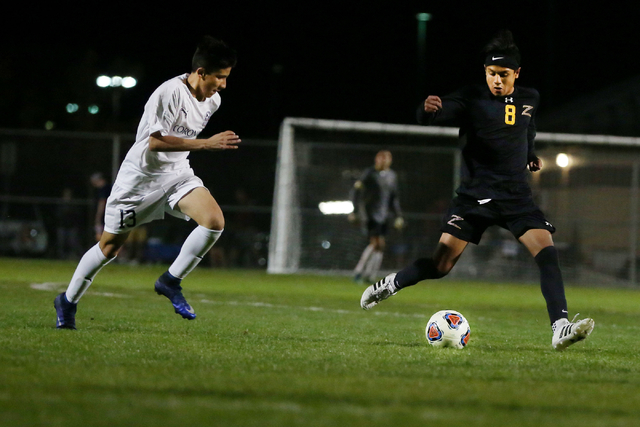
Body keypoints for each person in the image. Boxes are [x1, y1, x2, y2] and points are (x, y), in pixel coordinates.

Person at [360, 30, 594, 351]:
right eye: (491, 74)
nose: (496, 80)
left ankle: (560, 327)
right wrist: (427, 110)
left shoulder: (530, 98)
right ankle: (391, 283)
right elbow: (437, 114)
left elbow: (528, 130)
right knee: (440, 266)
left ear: (517, 74)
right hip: (474, 198)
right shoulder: (471, 97)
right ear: (485, 73)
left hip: (515, 197)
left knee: (548, 256)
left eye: (503, 75)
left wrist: (529, 155)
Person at [54, 36, 240, 329]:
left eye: (226, 78)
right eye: (219, 77)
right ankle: (67, 301)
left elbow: (179, 143)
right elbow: (154, 142)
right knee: (109, 248)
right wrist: (206, 144)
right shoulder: (168, 93)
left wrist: (198, 147)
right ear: (201, 72)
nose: (223, 85)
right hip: (139, 181)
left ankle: (170, 280)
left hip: (177, 174)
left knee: (214, 221)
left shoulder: (212, 101)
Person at [349, 150, 404, 283]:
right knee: (376, 243)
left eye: (386, 158)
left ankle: (368, 274)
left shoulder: (392, 176)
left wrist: (398, 216)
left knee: (379, 245)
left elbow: (393, 198)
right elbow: (356, 191)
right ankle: (360, 272)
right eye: (381, 158)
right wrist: (355, 211)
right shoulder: (369, 174)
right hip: (369, 213)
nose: (383, 161)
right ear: (376, 160)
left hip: (384, 215)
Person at [90, 172, 111, 242]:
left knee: (100, 238)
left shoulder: (102, 190)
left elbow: (102, 203)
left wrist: (98, 218)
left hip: (104, 218)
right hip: (110, 217)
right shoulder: (110, 187)